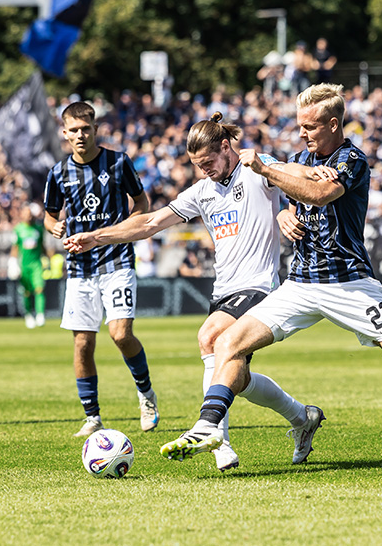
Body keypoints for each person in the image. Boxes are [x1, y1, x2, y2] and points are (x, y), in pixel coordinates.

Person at [160, 84, 382, 469]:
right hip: (300, 284)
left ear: (333, 125)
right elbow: (293, 200)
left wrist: (267, 169)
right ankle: (209, 427)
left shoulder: (352, 160)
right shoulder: (300, 158)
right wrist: (284, 213)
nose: (302, 133)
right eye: (300, 125)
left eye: (309, 126)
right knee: (227, 342)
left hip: (349, 283)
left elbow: (320, 194)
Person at [64, 112, 323, 471]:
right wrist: (97, 237)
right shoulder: (202, 192)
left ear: (226, 147)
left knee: (209, 337)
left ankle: (217, 441)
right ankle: (302, 417)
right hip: (224, 291)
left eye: (208, 162)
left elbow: (293, 175)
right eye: (197, 166)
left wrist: (312, 182)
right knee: (237, 378)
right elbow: (150, 222)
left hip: (259, 286)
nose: (204, 171)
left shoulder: (255, 169)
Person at [44, 101, 159, 437]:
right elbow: (49, 215)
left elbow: (142, 203)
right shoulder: (58, 173)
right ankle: (92, 416)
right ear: (65, 133)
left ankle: (146, 395)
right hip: (79, 267)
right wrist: (54, 226)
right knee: (83, 343)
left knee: (120, 334)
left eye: (86, 129)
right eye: (74, 130)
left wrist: (124, 230)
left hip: (117, 259)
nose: (80, 135)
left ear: (95, 129)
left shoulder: (118, 162)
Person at [11, 203, 47, 329]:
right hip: (24, 265)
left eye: (30, 214)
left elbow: (42, 245)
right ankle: (28, 314)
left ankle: (40, 314)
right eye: (26, 214)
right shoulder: (18, 229)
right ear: (22, 215)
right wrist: (13, 262)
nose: (29, 216)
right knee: (26, 292)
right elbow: (15, 247)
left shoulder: (38, 229)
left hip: (36, 263)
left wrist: (46, 258)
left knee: (39, 289)